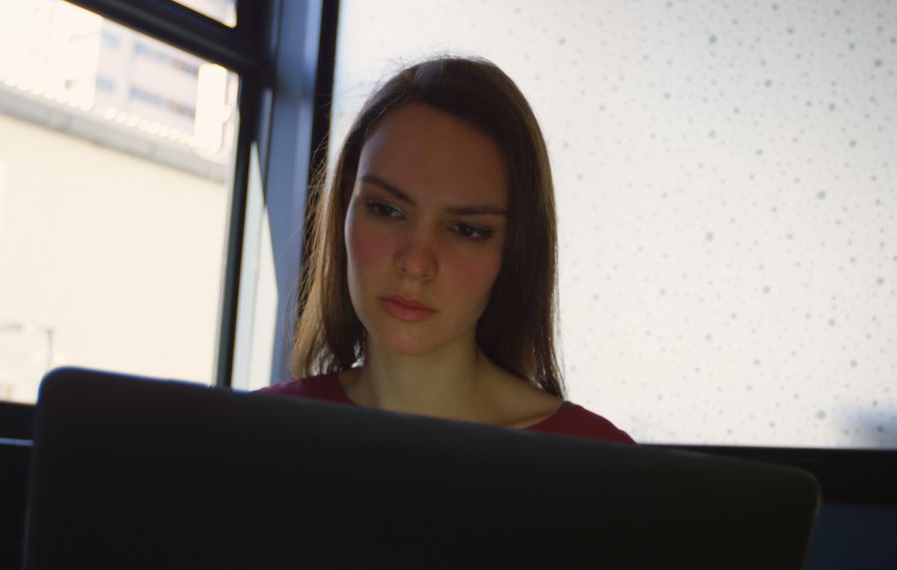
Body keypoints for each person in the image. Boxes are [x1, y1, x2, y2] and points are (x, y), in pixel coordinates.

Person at [259, 56, 633, 445]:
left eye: (466, 230)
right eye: (386, 210)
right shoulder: (253, 435)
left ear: (515, 252)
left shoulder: (600, 463)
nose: (416, 263)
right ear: (344, 209)